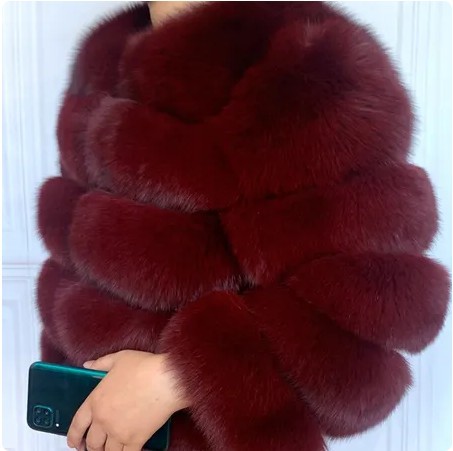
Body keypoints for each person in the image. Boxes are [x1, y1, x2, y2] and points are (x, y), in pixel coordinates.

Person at [36, 1, 450, 451]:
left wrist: (177, 377)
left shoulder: (312, 66)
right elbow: (74, 259)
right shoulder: (102, 64)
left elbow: (380, 305)